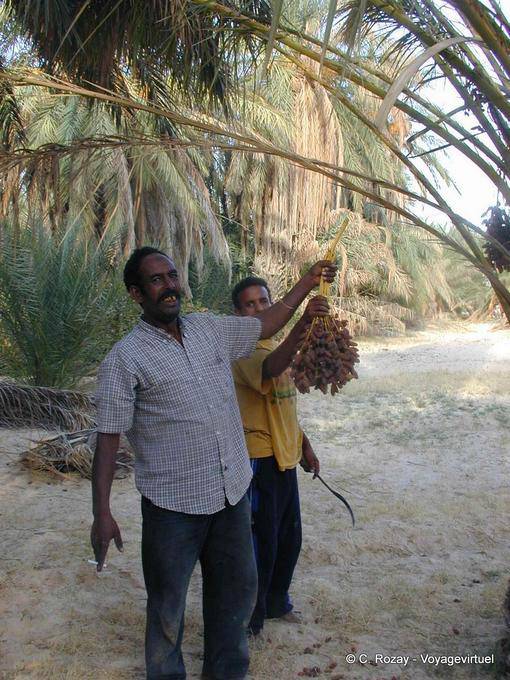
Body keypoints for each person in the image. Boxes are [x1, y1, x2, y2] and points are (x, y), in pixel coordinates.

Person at [90, 247, 336, 680]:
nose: (169, 285)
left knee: (235, 597)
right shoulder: (124, 359)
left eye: (172, 275)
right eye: (156, 280)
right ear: (135, 293)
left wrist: (307, 281)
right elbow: (108, 438)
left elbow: (266, 322)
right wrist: (102, 513)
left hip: (231, 494)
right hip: (173, 508)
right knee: (167, 607)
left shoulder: (208, 329)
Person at [231, 277, 324, 636]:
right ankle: (248, 623)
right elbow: (270, 368)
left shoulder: (274, 342)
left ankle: (276, 603)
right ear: (237, 313)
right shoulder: (241, 350)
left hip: (285, 456)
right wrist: (302, 324)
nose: (258, 309)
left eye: (263, 301)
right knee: (260, 544)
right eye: (249, 304)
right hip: (258, 460)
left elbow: (286, 406)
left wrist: (304, 445)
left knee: (289, 538)